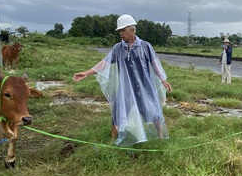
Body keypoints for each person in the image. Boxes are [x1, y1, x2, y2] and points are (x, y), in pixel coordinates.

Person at [73, 14, 172, 145]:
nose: (121, 33)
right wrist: (87, 73)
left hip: (144, 87)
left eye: (123, 30)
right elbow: (105, 62)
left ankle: (160, 135)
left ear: (132, 29)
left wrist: (163, 79)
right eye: (120, 31)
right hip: (125, 88)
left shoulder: (145, 46)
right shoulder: (118, 49)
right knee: (118, 112)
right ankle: (112, 141)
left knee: (152, 111)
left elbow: (155, 63)